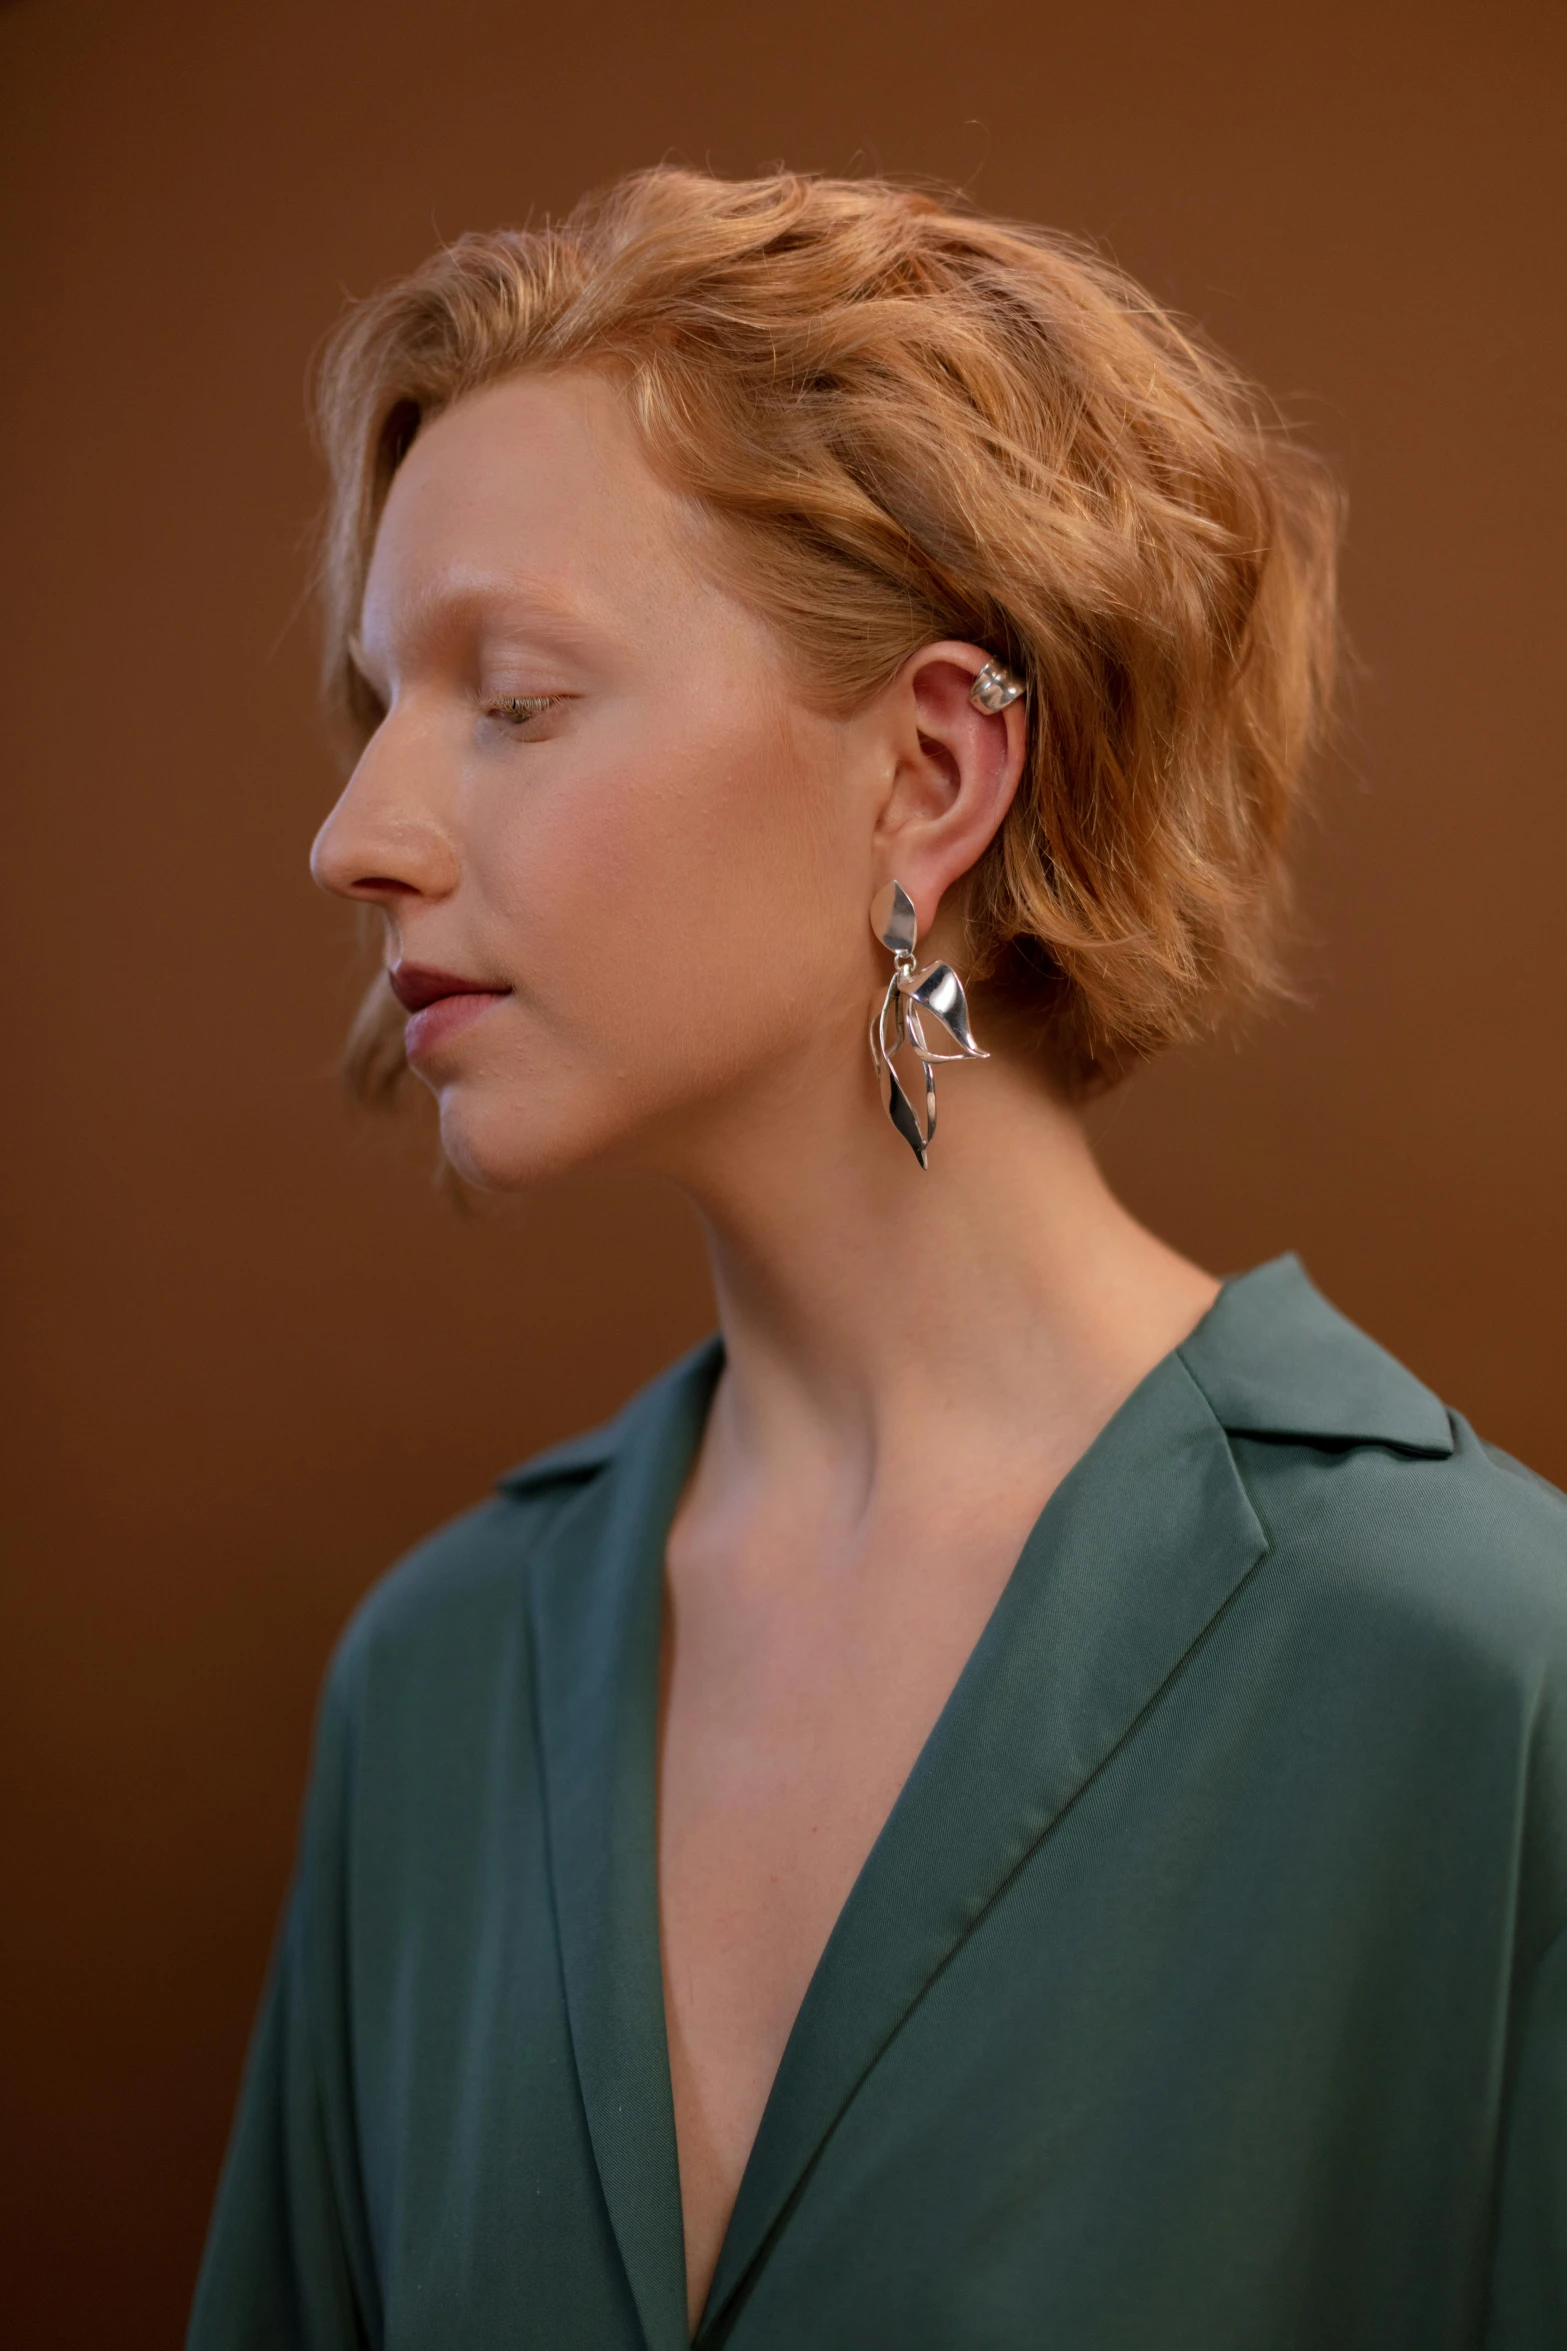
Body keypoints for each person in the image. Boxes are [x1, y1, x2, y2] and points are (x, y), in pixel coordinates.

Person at [188, 169, 1567, 2349]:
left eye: (516, 697)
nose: (356, 833)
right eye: (380, 700)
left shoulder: (1483, 1684)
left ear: (930, 768)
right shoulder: (436, 1689)